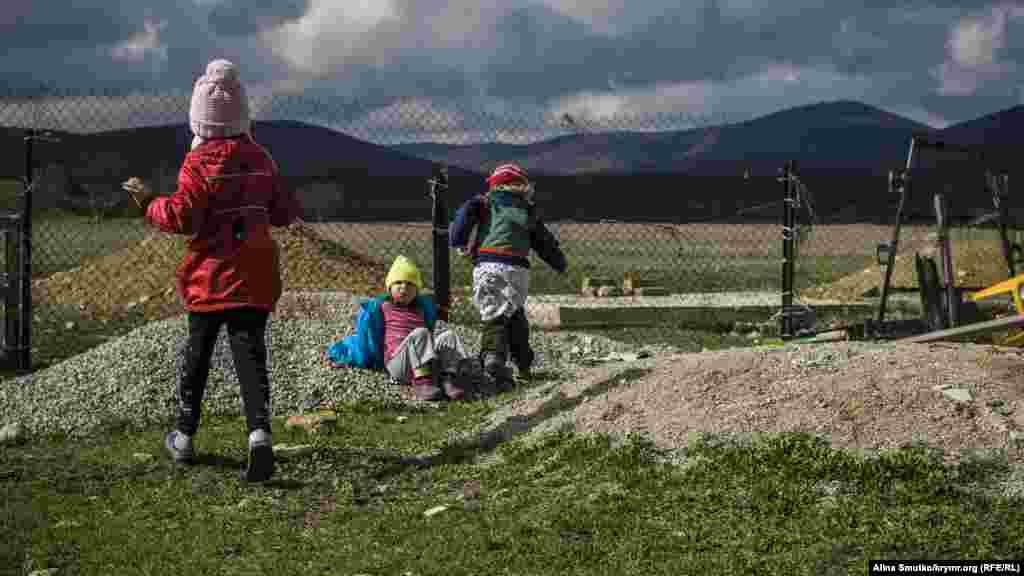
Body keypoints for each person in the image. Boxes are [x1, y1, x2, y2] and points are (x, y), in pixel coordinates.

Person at [121, 59, 301, 482]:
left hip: (210, 276)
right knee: (250, 356)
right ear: (242, 115)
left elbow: (183, 217)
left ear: (198, 119)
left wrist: (148, 203)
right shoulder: (262, 158)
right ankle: (259, 436)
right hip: (255, 275)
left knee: (198, 355)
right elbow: (280, 212)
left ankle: (183, 436)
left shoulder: (198, 163)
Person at [448, 163, 567, 392]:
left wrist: (458, 241)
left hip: (489, 265)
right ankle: (523, 364)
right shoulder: (528, 210)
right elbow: (544, 242)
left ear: (494, 185)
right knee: (514, 314)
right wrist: (559, 263)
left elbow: (461, 222)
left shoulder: (483, 203)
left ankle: (493, 359)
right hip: (518, 270)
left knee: (494, 317)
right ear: (523, 186)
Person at [326, 255, 473, 401]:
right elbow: (365, 337)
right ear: (389, 288)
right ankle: (422, 383)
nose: (404, 288)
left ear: (417, 290)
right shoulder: (383, 307)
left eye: (410, 284)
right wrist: (350, 355)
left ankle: (448, 378)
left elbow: (433, 331)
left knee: (448, 336)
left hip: (423, 360)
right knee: (420, 333)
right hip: (397, 365)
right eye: (398, 283)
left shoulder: (422, 308)